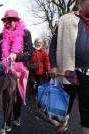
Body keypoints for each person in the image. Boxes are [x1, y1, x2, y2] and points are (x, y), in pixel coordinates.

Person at [49, 0, 89, 133]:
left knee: (87, 109)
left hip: (88, 73)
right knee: (64, 106)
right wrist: (54, 65)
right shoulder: (65, 20)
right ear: (80, 4)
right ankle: (60, 128)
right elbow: (53, 44)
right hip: (68, 72)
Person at [0, 10, 33, 133]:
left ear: (17, 21)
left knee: (17, 96)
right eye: (7, 20)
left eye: (12, 20)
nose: (9, 22)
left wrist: (17, 56)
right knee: (7, 96)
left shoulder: (25, 33)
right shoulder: (3, 34)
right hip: (6, 70)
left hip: (20, 71)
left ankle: (17, 116)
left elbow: (29, 53)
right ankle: (6, 122)